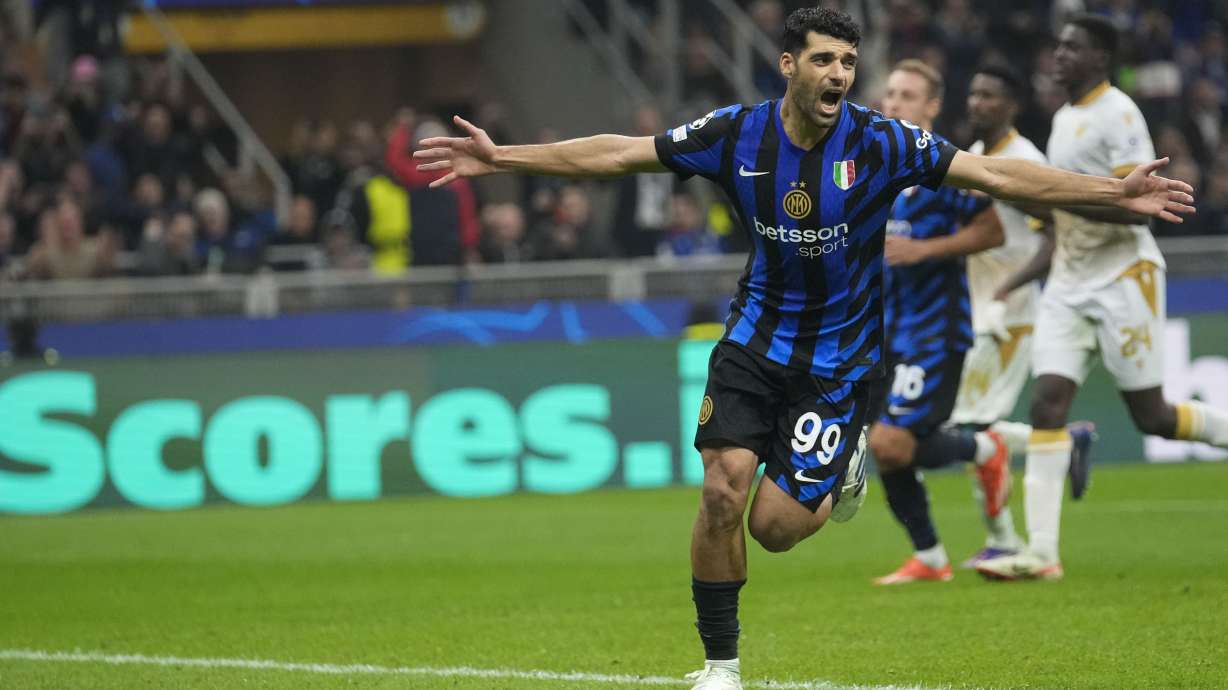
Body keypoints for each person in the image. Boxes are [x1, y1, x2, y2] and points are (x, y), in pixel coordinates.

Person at [413, 9, 1193, 688]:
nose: (840, 73)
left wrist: (1112, 192)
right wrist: (503, 158)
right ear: (789, 65)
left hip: (839, 363)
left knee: (775, 527)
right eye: (824, 58)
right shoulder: (734, 133)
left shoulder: (885, 144)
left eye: (849, 61)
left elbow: (994, 175)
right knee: (723, 489)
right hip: (754, 340)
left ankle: (844, 457)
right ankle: (721, 668)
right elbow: (619, 153)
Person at [975, 15, 1228, 582]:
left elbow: (1130, 201)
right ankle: (1041, 554)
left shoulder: (1118, 114)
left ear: (1101, 59)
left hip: (1122, 276)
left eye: (1073, 47)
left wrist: (1054, 200)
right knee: (1046, 406)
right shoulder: (1064, 118)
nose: (1058, 55)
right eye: (1058, 45)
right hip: (1068, 280)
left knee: (1154, 416)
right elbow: (1071, 200)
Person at [866, 59, 1008, 586]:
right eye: (890, 93)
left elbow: (993, 231)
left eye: (907, 94)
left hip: (933, 332)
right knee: (883, 447)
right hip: (882, 335)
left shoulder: (946, 166)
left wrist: (925, 249)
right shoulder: (876, 167)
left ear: (931, 107)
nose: (894, 102)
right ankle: (929, 557)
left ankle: (984, 448)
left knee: (888, 443)